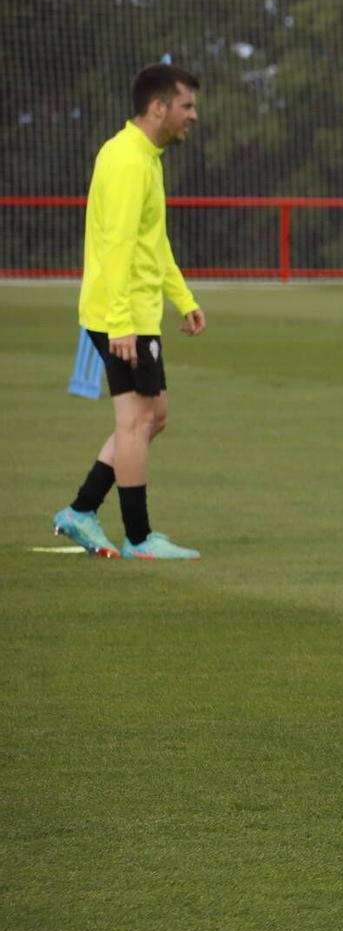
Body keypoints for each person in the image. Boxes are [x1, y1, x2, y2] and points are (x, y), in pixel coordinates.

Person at [52, 63, 208, 561]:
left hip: (139, 314)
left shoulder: (148, 157)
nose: (194, 116)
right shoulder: (124, 159)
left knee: (153, 416)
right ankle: (139, 539)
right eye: (186, 106)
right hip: (122, 317)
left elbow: (152, 242)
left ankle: (81, 511)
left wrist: (183, 299)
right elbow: (115, 245)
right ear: (158, 107)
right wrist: (120, 323)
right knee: (137, 421)